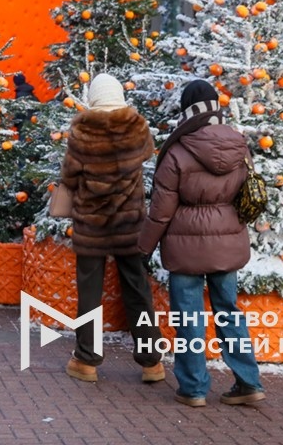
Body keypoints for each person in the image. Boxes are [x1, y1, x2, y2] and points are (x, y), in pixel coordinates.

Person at [138, 79, 265, 408]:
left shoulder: (178, 150)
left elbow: (161, 211)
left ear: (186, 109)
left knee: (189, 318)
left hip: (185, 246)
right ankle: (249, 382)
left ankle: (194, 388)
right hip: (227, 241)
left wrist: (143, 248)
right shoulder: (239, 144)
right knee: (229, 313)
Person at [60, 74, 165, 385]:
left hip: (91, 223)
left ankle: (87, 360)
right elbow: (147, 155)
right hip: (129, 222)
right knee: (137, 289)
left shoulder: (81, 131)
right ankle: (152, 363)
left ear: (93, 97)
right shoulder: (137, 127)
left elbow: (69, 175)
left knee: (89, 292)